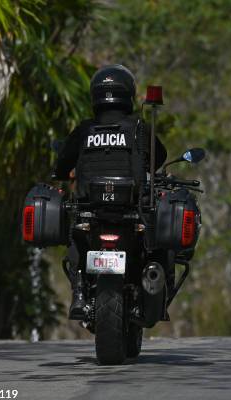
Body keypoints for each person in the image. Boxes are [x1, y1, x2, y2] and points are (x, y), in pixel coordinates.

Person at [54, 64, 167, 318]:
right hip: (132, 211)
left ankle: (80, 292)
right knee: (156, 241)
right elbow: (160, 156)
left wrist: (63, 172)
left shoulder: (85, 130)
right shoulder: (138, 126)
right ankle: (150, 287)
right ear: (127, 93)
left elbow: (61, 165)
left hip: (91, 213)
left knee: (76, 234)